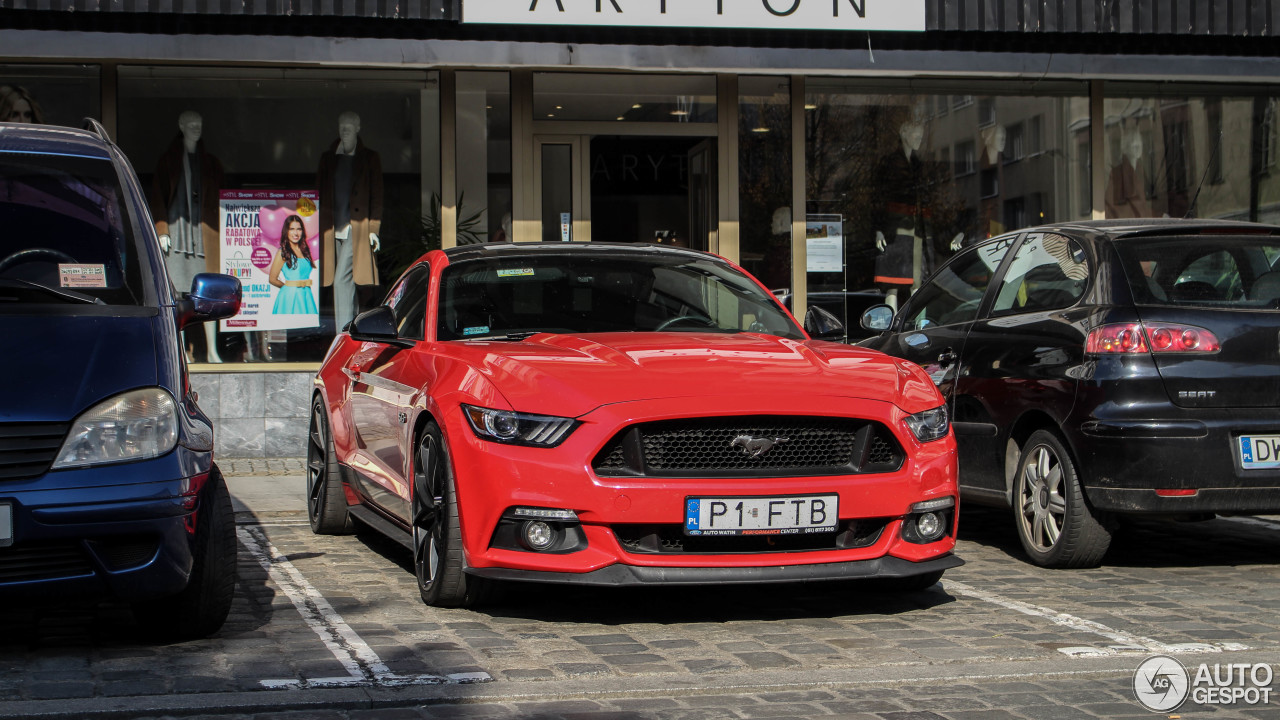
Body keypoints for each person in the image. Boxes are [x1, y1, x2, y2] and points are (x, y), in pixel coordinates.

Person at [149, 110, 226, 362]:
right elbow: (158, 197)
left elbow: (220, 198)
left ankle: (213, 351)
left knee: (210, 293)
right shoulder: (167, 160)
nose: (196, 127)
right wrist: (162, 229)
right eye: (191, 123)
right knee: (179, 294)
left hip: (204, 236)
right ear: (181, 126)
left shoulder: (211, 163)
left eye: (199, 123)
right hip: (176, 237)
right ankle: (181, 351)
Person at [317, 111, 382, 332]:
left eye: (349, 127)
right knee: (349, 283)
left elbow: (377, 197)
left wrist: (373, 229)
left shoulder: (369, 158)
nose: (344, 131)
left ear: (357, 129)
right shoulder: (328, 159)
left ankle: (341, 337)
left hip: (357, 228)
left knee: (341, 282)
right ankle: (355, 335)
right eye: (341, 126)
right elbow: (319, 193)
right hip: (332, 230)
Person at [269, 214, 319, 315]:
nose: (296, 233)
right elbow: (272, 279)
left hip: (306, 295)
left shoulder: (305, 250)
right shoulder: (282, 252)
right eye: (292, 229)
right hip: (290, 297)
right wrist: (288, 288)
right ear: (286, 231)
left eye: (299, 229)